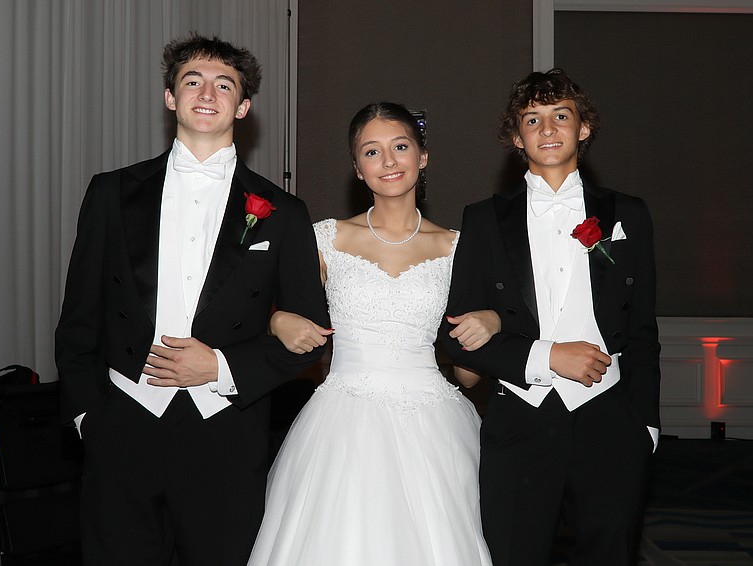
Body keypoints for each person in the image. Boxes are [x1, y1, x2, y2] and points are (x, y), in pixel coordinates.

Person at [54, 33, 329, 566]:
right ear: (170, 97)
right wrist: (90, 416)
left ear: (243, 106)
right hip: (124, 423)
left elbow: (310, 336)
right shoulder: (110, 192)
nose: (208, 92)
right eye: (193, 81)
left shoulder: (284, 211)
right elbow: (78, 319)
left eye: (224, 84)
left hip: (225, 429)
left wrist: (223, 367)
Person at [246, 102, 498, 565]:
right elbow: (269, 308)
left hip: (434, 424)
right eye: (372, 151)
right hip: (344, 419)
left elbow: (469, 375)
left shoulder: (458, 246)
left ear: (423, 157)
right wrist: (278, 319)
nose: (388, 161)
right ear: (357, 169)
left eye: (400, 147)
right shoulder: (326, 238)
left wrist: (494, 322)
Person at [442, 68, 661, 565]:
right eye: (532, 119)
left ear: (583, 127)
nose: (547, 129)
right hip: (520, 418)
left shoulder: (629, 214)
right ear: (515, 137)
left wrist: (645, 424)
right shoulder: (483, 220)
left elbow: (645, 328)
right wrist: (547, 357)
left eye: (560, 116)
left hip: (611, 417)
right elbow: (455, 339)